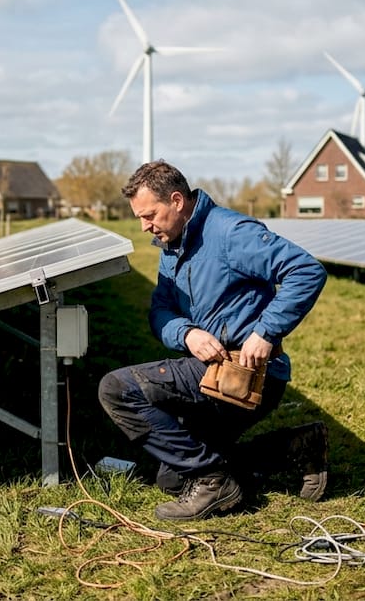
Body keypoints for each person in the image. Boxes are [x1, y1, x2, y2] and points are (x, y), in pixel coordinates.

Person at [98, 160, 329, 522]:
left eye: (150, 215)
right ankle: (293, 447)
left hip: (247, 375)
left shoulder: (231, 233)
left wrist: (266, 332)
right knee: (171, 478)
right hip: (209, 374)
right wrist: (187, 333)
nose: (145, 227)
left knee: (116, 388)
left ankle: (211, 480)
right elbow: (160, 311)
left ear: (176, 200)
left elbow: (306, 270)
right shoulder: (172, 245)